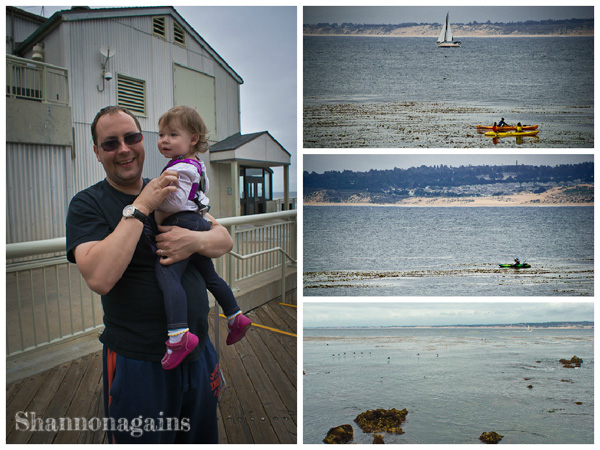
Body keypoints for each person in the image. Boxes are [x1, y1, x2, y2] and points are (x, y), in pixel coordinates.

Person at [66, 106, 233, 443]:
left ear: (143, 141)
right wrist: (141, 206)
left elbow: (223, 239)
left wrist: (194, 240)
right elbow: (99, 278)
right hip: (139, 361)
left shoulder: (169, 187)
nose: (124, 149)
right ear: (97, 153)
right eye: (111, 143)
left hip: (198, 350)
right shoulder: (88, 204)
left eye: (132, 138)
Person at [146, 105, 251, 370]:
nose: (164, 140)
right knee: (209, 276)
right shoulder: (195, 165)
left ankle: (178, 335)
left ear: (193, 139)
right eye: (161, 134)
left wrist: (155, 201)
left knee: (167, 275)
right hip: (197, 221)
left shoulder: (180, 167)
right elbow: (198, 197)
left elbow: (177, 200)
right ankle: (236, 316)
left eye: (172, 134)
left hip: (181, 221)